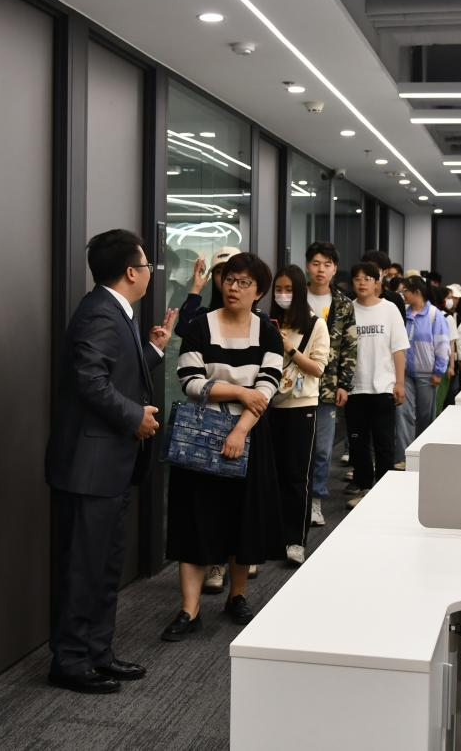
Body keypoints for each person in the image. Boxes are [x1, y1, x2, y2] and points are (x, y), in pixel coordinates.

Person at [43, 229, 174, 694]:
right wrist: (135, 417)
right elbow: (89, 380)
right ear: (131, 272)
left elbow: (115, 373)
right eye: (147, 265)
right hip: (90, 468)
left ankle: (97, 651)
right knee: (83, 568)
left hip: (110, 467)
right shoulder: (100, 311)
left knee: (103, 567)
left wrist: (153, 351)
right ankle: (70, 660)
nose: (150, 272)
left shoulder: (116, 310)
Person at [163, 252, 285, 642]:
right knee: (195, 520)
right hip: (201, 435)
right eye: (229, 279)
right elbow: (190, 381)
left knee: (242, 519)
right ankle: (189, 609)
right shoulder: (199, 326)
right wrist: (239, 392)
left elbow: (268, 385)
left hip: (250, 434)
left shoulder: (268, 332)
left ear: (259, 291)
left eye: (244, 282)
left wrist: (240, 429)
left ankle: (237, 596)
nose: (234, 287)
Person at [269, 266, 329, 566]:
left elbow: (318, 368)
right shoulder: (268, 322)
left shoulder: (316, 324)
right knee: (272, 475)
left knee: (296, 476)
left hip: (300, 407)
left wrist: (290, 349)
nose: (282, 295)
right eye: (278, 289)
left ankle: (295, 540)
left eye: (288, 289)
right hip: (268, 406)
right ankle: (272, 537)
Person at [346, 262, 408, 509]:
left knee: (384, 444)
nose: (362, 283)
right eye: (357, 279)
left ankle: (384, 492)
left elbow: (398, 348)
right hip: (355, 388)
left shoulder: (389, 309)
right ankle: (364, 488)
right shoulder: (347, 309)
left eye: (367, 278)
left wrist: (400, 382)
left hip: (384, 387)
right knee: (358, 444)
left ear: (376, 283)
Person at [304, 243, 356, 527]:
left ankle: (316, 499)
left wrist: (344, 384)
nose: (320, 269)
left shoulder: (344, 304)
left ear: (334, 268)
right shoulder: (295, 298)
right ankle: (294, 500)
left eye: (326, 264)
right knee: (296, 447)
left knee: (323, 449)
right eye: (315, 263)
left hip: (327, 387)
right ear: (307, 266)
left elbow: (350, 346)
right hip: (293, 387)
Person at [395, 276, 450, 455]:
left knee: (425, 416)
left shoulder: (434, 315)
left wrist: (439, 371)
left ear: (417, 292)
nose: (403, 294)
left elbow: (443, 345)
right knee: (403, 414)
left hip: (427, 374)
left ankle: (423, 453)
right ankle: (404, 455)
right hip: (405, 374)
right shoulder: (403, 313)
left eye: (405, 291)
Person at [174, 246, 238, 339]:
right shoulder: (205, 314)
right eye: (219, 272)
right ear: (213, 277)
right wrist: (196, 288)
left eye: (231, 271)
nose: (225, 277)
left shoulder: (255, 318)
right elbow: (182, 330)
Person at [363, 250, 406, 316]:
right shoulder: (351, 299)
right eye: (365, 269)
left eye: (373, 269)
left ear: (385, 272)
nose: (368, 273)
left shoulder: (395, 299)